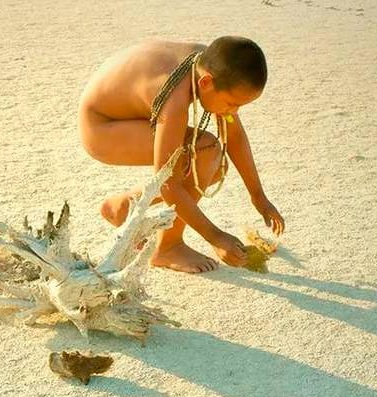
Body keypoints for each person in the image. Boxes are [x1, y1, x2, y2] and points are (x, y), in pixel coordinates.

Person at [78, 36, 285, 273]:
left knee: (216, 166)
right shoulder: (174, 96)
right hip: (100, 128)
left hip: (126, 114)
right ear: (206, 83)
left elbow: (234, 134)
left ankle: (123, 207)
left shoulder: (209, 64)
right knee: (206, 151)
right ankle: (168, 247)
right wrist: (216, 237)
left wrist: (258, 197)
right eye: (231, 103)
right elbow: (166, 181)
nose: (233, 112)